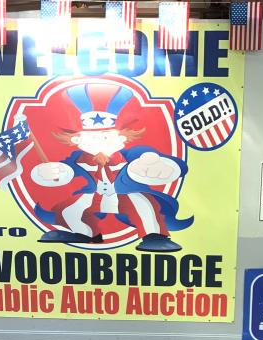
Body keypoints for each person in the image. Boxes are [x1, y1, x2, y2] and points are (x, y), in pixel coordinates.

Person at [30, 83, 192, 253]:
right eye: (92, 137)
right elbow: (67, 171)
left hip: (124, 195)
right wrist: (52, 172)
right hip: (95, 196)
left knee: (143, 203)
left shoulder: (131, 155)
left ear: (121, 138)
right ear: (77, 140)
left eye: (106, 136)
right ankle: (83, 232)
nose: (99, 141)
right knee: (70, 209)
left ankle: (154, 236)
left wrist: (156, 167)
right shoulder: (79, 158)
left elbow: (158, 162)